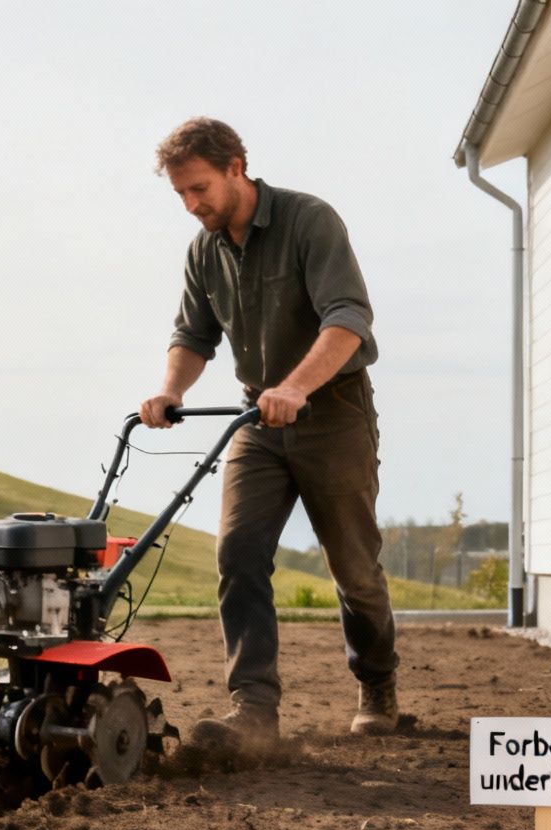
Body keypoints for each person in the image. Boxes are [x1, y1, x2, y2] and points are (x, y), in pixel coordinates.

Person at [140, 117, 397, 743]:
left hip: (332, 411)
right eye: (180, 194)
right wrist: (171, 391)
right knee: (237, 552)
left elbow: (348, 316)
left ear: (236, 166)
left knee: (354, 568)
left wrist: (297, 386)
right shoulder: (205, 251)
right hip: (257, 418)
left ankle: (377, 681)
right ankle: (254, 709)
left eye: (198, 188)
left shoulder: (310, 221)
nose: (190, 205)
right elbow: (193, 336)